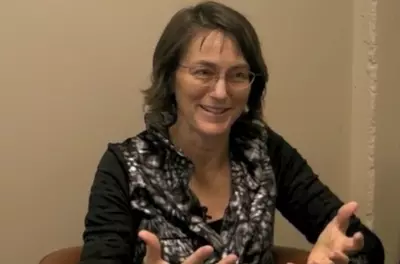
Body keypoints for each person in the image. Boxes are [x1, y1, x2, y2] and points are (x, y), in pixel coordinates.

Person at [79, 1, 384, 264]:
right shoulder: (123, 166)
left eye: (238, 75)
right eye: (203, 72)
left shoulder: (263, 149)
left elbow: (367, 247)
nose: (221, 92)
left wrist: (340, 258)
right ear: (171, 78)